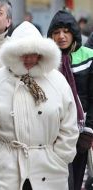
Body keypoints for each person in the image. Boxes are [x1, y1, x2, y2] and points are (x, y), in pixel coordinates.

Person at [0, 21, 79, 190]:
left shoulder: (57, 80)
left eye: (34, 53)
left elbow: (69, 124)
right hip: (3, 167)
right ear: (12, 54)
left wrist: (61, 157)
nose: (29, 59)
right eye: (22, 54)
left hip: (48, 168)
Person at [47, 10, 93, 190]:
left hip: (79, 132)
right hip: (51, 134)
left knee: (75, 182)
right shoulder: (45, 59)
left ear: (74, 31)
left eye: (66, 31)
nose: (61, 36)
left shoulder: (89, 56)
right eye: (56, 32)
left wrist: (88, 132)